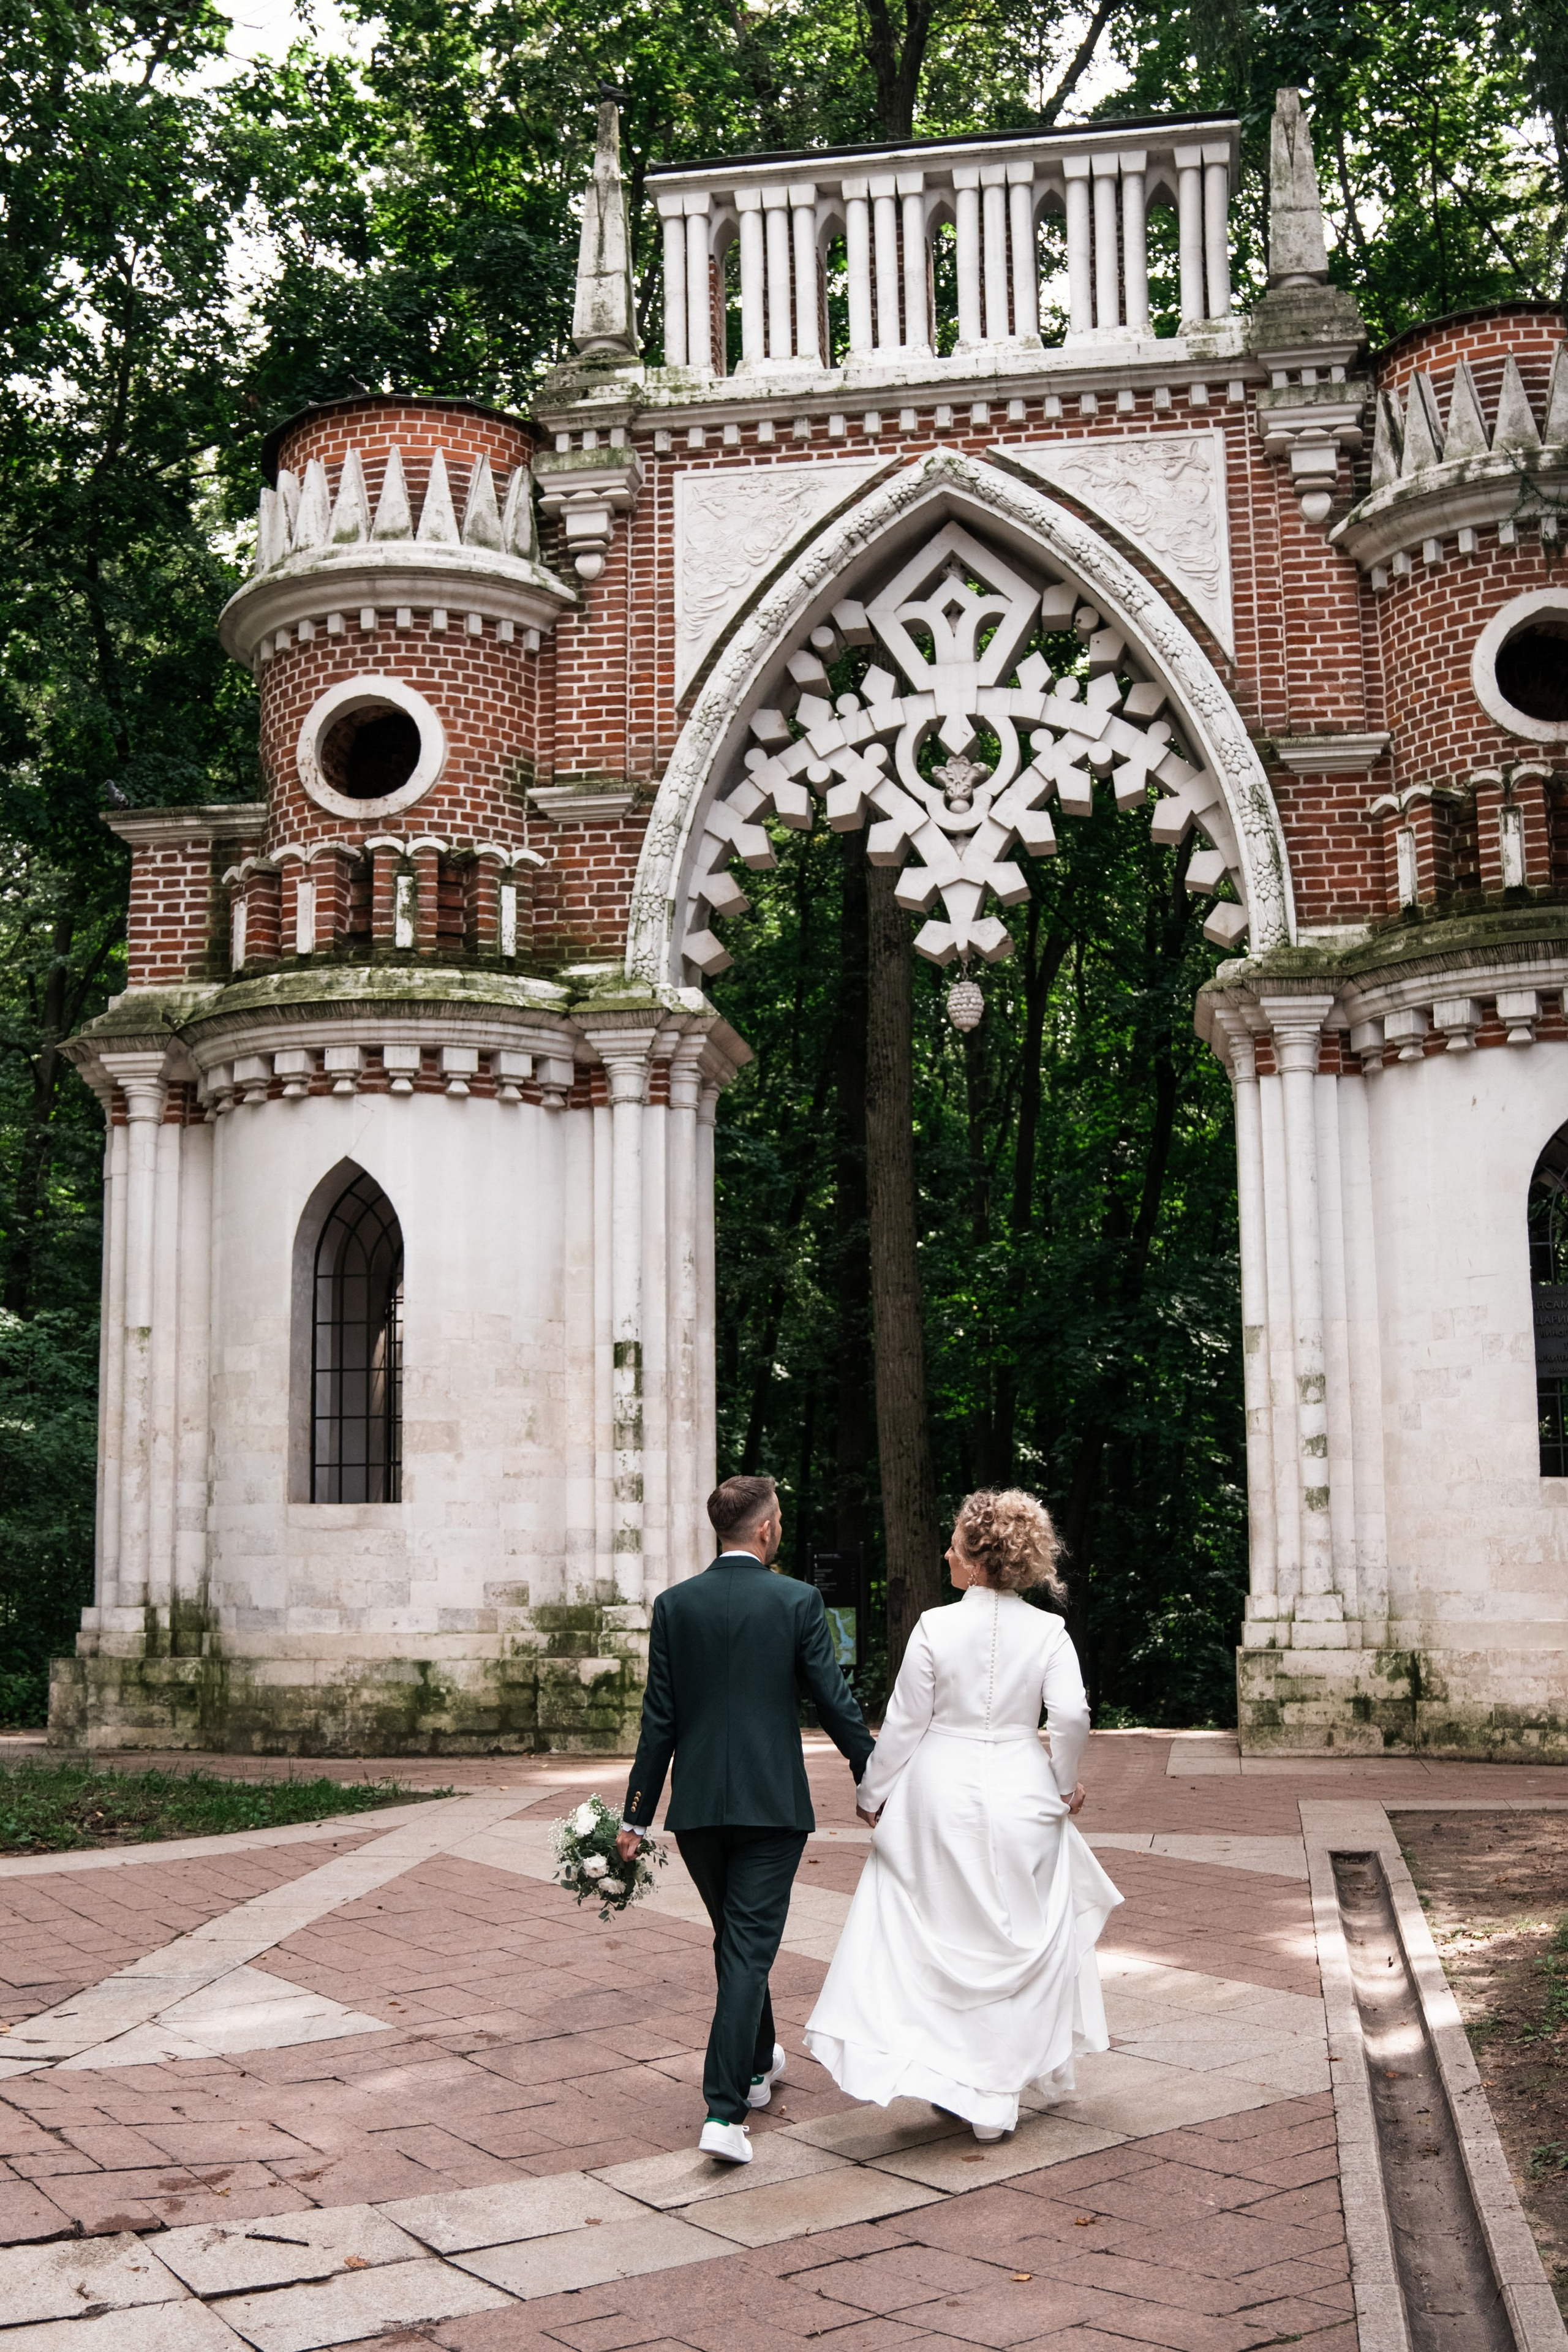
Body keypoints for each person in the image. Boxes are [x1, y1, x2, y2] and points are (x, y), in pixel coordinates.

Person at [804, 1488, 1121, 2142]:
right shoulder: (1049, 1631)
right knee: (1013, 1937)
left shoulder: (935, 1626)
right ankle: (996, 2086)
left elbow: (903, 1724)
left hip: (938, 1793)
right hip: (1021, 1787)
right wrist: (1061, 1785)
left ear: (976, 1562)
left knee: (938, 1935)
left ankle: (959, 2078)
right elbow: (1069, 1716)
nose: (945, 1551)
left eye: (954, 1543)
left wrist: (873, 1793)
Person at [616, 1473, 875, 2165]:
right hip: (771, 1809)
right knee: (745, 1949)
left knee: (736, 1941)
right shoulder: (797, 1600)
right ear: (765, 1529)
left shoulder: (675, 1606)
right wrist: (873, 1776)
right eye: (780, 1519)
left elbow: (658, 1723)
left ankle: (758, 2065)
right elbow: (832, 1699)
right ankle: (723, 2113)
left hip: (698, 1810)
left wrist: (635, 1817)